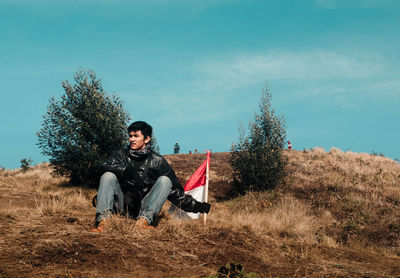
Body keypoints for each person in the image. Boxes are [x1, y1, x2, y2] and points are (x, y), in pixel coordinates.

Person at [91, 121, 211, 232]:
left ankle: (143, 222)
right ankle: (103, 222)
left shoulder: (157, 161)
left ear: (147, 139)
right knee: (108, 175)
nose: (132, 139)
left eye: (136, 136)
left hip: (143, 209)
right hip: (121, 206)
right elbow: (99, 167)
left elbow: (174, 192)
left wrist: (198, 206)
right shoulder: (120, 155)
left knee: (165, 180)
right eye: (130, 136)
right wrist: (124, 170)